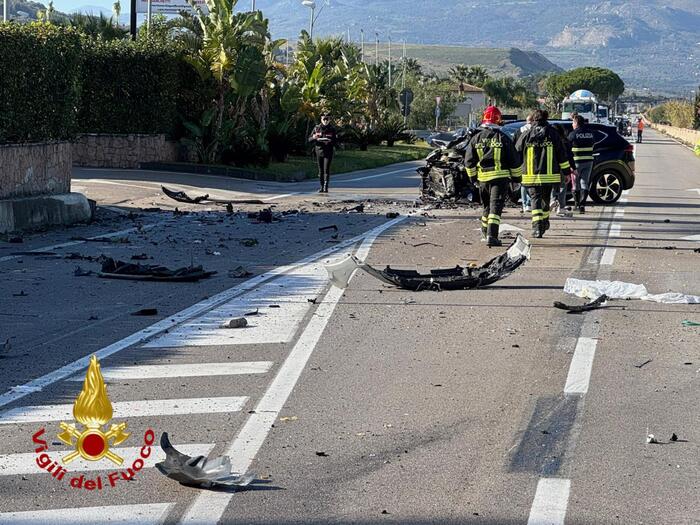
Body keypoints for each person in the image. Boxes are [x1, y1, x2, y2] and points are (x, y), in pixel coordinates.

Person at [464, 106, 522, 247]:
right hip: (499, 179)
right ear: (498, 120)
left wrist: (473, 179)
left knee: (486, 207)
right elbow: (514, 161)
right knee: (495, 208)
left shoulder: (476, 138)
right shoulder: (503, 138)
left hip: (483, 180)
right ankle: (492, 236)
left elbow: (468, 162)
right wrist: (516, 179)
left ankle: (485, 232)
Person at [515, 109, 571, 238]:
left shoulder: (526, 134)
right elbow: (562, 155)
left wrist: (515, 173)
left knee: (535, 200)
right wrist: (567, 173)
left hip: (530, 176)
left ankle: (536, 228)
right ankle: (544, 222)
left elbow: (516, 153)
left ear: (534, 119)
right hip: (549, 176)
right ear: (546, 118)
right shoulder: (553, 134)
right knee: (545, 199)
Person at [568, 115, 596, 213]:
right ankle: (582, 205)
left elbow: (567, 148)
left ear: (576, 123)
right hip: (588, 161)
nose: (572, 124)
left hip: (576, 162)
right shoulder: (590, 133)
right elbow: (593, 144)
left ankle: (576, 205)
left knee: (575, 184)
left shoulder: (573, 134)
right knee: (585, 183)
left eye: (573, 122)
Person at [308, 113, 338, 193]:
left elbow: (336, 142)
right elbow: (309, 139)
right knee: (320, 170)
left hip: (328, 151)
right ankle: (321, 186)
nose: (325, 121)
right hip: (319, 151)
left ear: (329, 120)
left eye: (327, 119)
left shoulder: (332, 129)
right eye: (324, 119)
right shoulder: (317, 128)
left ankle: (325, 187)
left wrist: (330, 141)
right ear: (321, 119)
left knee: (326, 170)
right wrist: (314, 137)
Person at [514, 113, 534, 212]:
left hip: (521, 160)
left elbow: (515, 146)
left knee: (523, 183)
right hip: (532, 160)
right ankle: (530, 203)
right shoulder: (535, 130)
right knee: (532, 183)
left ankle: (525, 204)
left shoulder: (519, 130)